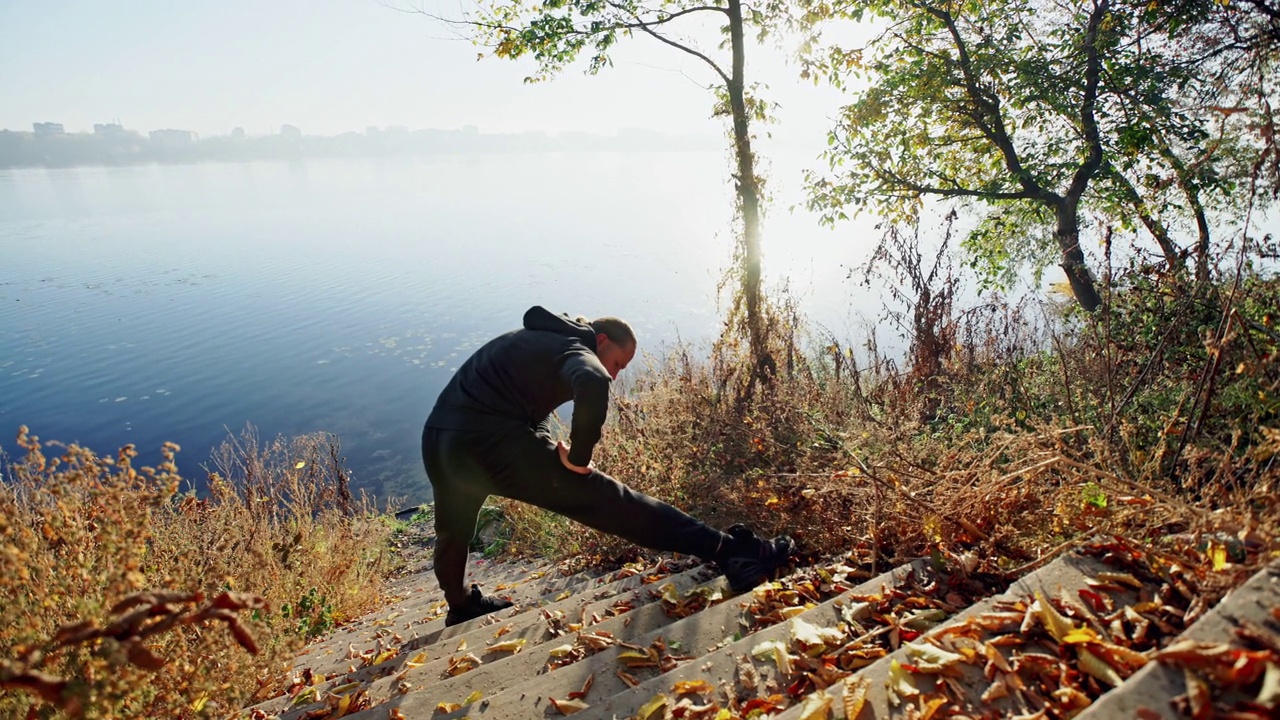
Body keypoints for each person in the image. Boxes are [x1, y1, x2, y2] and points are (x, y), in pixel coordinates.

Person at [422, 306, 795, 626]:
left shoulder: (535, 340)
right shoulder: (573, 346)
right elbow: (593, 378)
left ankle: (460, 605)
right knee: (610, 500)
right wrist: (579, 459)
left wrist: (545, 443)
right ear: (601, 341)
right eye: (618, 363)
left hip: (440, 440)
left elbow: (514, 402)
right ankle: (735, 552)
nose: (616, 374)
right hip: (487, 443)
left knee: (452, 533)